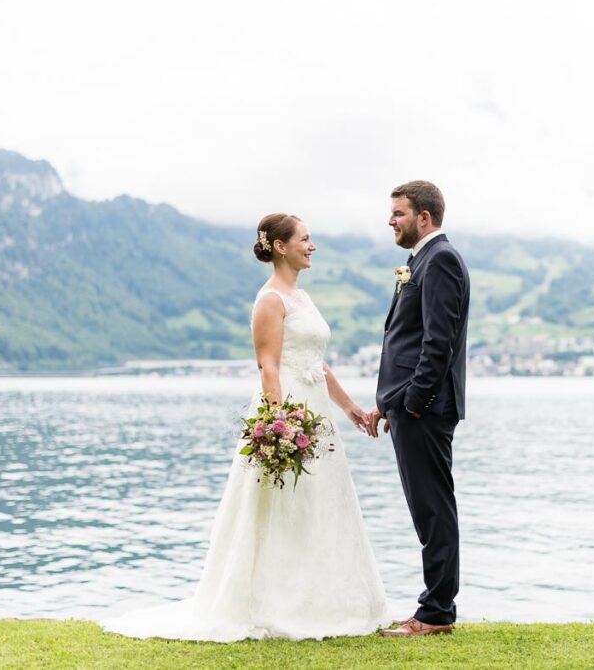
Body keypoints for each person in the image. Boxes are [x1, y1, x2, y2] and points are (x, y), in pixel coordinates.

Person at [101, 213, 390, 641]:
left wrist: (348, 408)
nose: (312, 247)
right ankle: (272, 604)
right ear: (280, 246)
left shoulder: (303, 297)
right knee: (281, 506)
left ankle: (328, 601)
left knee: (320, 504)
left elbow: (316, 362)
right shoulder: (270, 300)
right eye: (305, 240)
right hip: (290, 409)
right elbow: (268, 364)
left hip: (317, 411)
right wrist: (282, 423)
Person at [367, 180, 470, 637]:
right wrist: (388, 403)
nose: (391, 220)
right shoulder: (419, 261)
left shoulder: (441, 259)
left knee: (433, 509)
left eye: (399, 213)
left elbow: (437, 343)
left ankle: (435, 613)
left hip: (424, 411)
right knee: (426, 508)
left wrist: (411, 403)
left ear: (423, 217)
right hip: (411, 408)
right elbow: (405, 340)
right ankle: (433, 608)